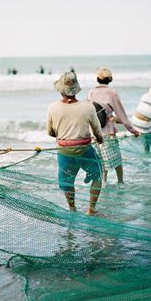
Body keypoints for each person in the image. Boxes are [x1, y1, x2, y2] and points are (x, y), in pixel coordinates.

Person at [47, 72, 103, 215]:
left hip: (65, 152)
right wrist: (100, 139)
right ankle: (91, 209)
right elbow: (97, 130)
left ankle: (72, 209)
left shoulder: (52, 107)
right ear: (76, 89)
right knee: (97, 175)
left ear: (60, 90)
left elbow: (51, 132)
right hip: (84, 149)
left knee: (67, 181)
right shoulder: (88, 107)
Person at [87, 67, 139, 186]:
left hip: (94, 132)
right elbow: (122, 114)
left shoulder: (91, 92)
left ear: (97, 79)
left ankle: (104, 182)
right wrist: (132, 130)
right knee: (116, 158)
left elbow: (88, 111)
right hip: (108, 131)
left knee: (101, 158)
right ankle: (120, 182)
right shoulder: (112, 93)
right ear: (110, 79)